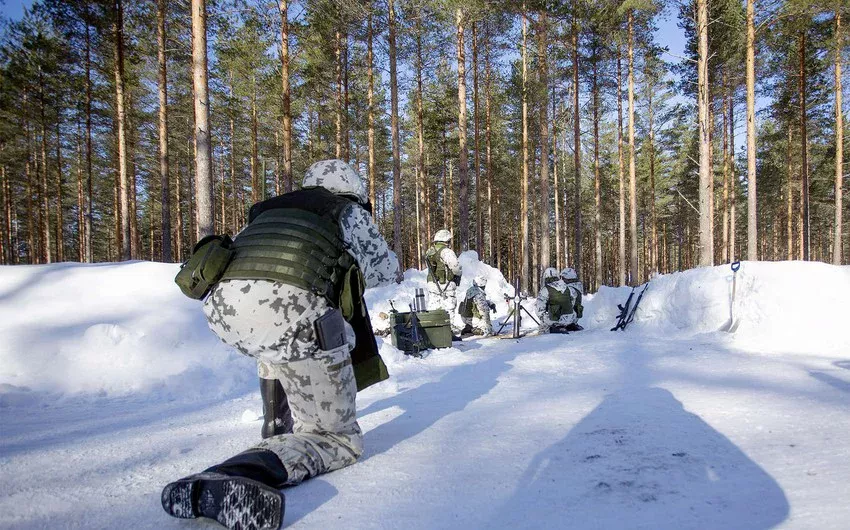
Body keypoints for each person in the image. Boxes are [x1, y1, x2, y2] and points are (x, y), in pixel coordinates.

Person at [161, 159, 400, 530]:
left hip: (223, 311)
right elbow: (386, 269)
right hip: (294, 314)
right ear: (350, 188)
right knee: (336, 438)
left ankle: (277, 426)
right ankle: (231, 474)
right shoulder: (347, 211)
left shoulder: (267, 210)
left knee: (278, 335)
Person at [424, 229, 462, 335]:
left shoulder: (430, 251)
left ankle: (433, 332)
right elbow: (455, 267)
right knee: (449, 307)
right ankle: (448, 332)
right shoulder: (446, 251)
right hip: (445, 283)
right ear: (446, 240)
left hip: (432, 283)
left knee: (434, 306)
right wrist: (458, 274)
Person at [536, 266, 584, 333]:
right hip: (571, 319)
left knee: (543, 326)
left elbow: (539, 310)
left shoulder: (545, 289)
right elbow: (573, 302)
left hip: (555, 321)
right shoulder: (568, 287)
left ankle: (549, 329)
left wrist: (545, 319)